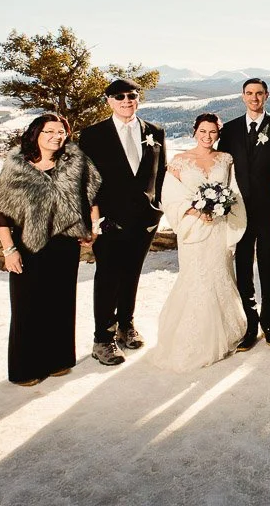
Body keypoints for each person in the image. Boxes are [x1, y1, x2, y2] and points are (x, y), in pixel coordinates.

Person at [0, 113, 101, 386]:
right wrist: (8, 250)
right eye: (49, 131)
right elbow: (0, 214)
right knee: (27, 307)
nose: (56, 136)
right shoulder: (18, 166)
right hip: (27, 246)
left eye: (61, 131)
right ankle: (25, 369)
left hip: (64, 246)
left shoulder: (74, 163)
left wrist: (93, 228)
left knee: (61, 303)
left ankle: (58, 360)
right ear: (36, 134)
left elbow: (92, 198)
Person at [78, 78, 168, 366]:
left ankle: (125, 326)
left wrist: (159, 209)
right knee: (108, 277)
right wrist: (88, 220)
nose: (126, 101)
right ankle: (102, 339)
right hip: (108, 221)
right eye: (119, 97)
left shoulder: (155, 132)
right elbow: (85, 182)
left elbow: (161, 174)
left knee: (132, 274)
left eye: (131, 96)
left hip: (145, 220)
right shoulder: (93, 135)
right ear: (109, 101)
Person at [152, 114, 248, 371]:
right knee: (196, 278)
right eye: (203, 131)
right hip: (194, 230)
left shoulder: (226, 159)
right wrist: (198, 210)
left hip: (219, 230)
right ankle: (193, 339)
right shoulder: (180, 161)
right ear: (194, 131)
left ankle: (224, 334)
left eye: (213, 132)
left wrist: (221, 208)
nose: (207, 136)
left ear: (218, 133)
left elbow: (234, 191)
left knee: (220, 275)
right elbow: (170, 197)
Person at [216, 78, 270, 351]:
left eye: (259, 94)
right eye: (249, 93)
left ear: (267, 96)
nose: (254, 98)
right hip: (238, 212)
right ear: (242, 96)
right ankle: (250, 326)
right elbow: (221, 169)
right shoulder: (231, 129)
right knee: (244, 269)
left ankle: (269, 324)